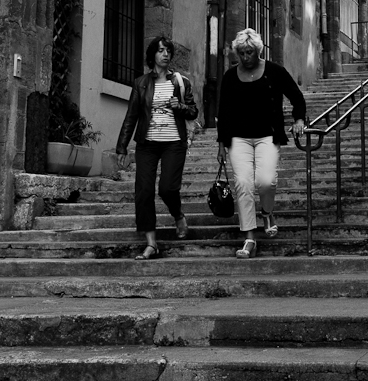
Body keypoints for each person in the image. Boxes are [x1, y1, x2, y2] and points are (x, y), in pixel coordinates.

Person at [216, 28, 307, 259]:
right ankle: (249, 238)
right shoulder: (230, 76)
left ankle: (267, 212)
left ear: (258, 51)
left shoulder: (274, 71)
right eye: (242, 53)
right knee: (243, 184)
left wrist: (299, 119)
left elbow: (296, 96)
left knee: (266, 181)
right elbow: (224, 111)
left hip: (268, 134)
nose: (246, 57)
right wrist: (221, 145)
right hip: (238, 138)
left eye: (250, 52)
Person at [116, 36, 198, 260]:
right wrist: (122, 147)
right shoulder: (140, 83)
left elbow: (193, 111)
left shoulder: (181, 82)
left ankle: (178, 215)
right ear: (152, 55)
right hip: (147, 145)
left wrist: (179, 106)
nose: (165, 54)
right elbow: (131, 116)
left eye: (168, 50)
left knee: (167, 189)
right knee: (143, 192)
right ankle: (151, 243)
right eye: (161, 50)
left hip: (174, 143)